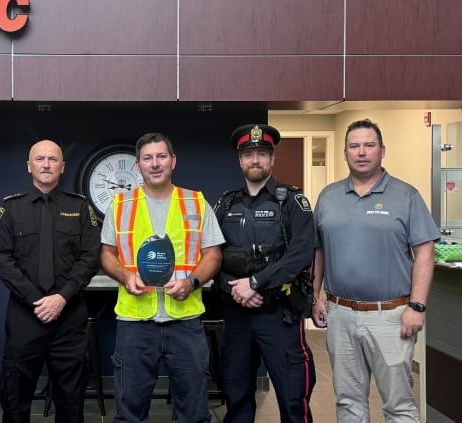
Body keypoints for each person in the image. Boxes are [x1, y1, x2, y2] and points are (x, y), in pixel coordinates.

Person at [311, 119, 439, 422]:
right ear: (344, 153)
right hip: (340, 314)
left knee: (398, 404)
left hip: (392, 316)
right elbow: (318, 251)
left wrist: (417, 306)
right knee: (348, 402)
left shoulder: (406, 195)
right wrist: (314, 297)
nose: (362, 152)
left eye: (369, 145)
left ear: (382, 151)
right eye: (354, 146)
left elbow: (425, 253)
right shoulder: (328, 197)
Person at [99, 132, 224, 423]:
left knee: (194, 412)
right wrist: (125, 275)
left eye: (161, 156)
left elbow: (213, 254)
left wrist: (192, 282)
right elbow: (107, 253)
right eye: (147, 158)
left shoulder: (196, 202)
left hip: (185, 323)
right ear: (138, 165)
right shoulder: (119, 205)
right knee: (130, 414)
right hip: (135, 324)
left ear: (173, 161)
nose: (155, 164)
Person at [0, 139, 101, 423]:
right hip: (25, 315)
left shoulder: (79, 208)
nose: (46, 165)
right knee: (16, 398)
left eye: (53, 159)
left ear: (62, 167)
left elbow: (90, 258)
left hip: (69, 316)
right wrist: (36, 300)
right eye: (40, 159)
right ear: (29, 166)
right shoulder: (10, 210)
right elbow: (2, 260)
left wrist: (61, 297)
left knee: (71, 399)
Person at [213, 124, 316, 423]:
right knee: (237, 395)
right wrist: (233, 288)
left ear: (272, 158)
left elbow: (300, 255)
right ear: (240, 160)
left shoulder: (293, 202)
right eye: (248, 154)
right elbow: (212, 254)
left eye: (261, 154)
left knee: (293, 397)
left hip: (279, 315)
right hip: (237, 316)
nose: (254, 160)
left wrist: (256, 283)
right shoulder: (226, 203)